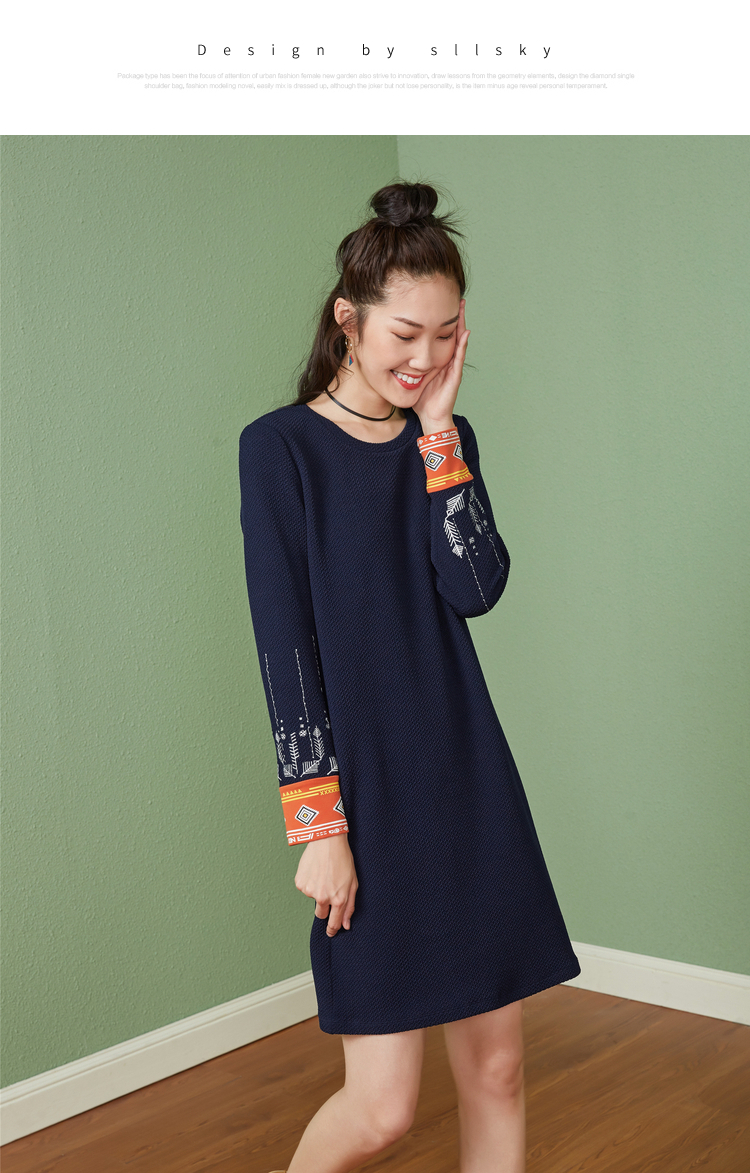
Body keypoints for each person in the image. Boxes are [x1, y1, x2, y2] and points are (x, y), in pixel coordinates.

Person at [238, 181, 580, 1173]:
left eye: (446, 333)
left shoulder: (445, 442)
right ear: (348, 320)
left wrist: (437, 433)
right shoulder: (280, 450)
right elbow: (284, 647)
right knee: (382, 1109)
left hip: (467, 781)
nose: (425, 357)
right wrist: (320, 825)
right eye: (404, 334)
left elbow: (477, 587)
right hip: (367, 798)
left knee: (499, 1072)